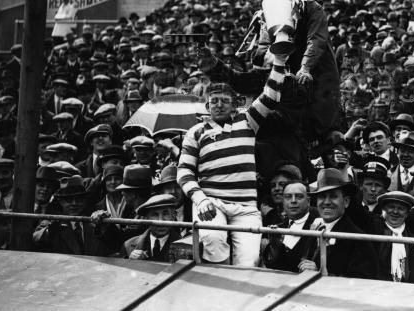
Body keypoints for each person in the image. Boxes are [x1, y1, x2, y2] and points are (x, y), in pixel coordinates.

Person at [177, 52, 288, 267]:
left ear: (234, 105)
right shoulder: (196, 132)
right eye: (214, 101)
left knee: (249, 261)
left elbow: (271, 95)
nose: (219, 105)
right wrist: (200, 199)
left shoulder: (248, 121)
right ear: (207, 107)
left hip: (245, 206)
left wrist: (280, 61)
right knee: (212, 241)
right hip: (211, 202)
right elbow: (184, 172)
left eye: (225, 101)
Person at [264, 0, 341, 153]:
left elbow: (316, 39)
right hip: (289, 76)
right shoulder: (271, 13)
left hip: (318, 72)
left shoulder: (311, 8)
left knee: (321, 121)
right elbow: (263, 47)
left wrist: (305, 67)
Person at [298, 168, 378, 279]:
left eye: (333, 196)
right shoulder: (314, 230)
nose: (326, 202)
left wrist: (320, 273)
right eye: (322, 196)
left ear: (346, 202)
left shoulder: (358, 239)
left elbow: (360, 283)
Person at [33, 176, 111, 256]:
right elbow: (36, 238)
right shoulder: (51, 221)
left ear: (84, 201)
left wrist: (105, 223)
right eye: (69, 200)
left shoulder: (93, 222)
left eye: (79, 199)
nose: (74, 203)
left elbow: (115, 243)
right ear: (61, 202)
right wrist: (50, 230)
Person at [374, 191, 414, 284]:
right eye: (391, 207)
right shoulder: (374, 234)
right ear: (384, 209)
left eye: (401, 208)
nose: (395, 212)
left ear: (407, 213)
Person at [262, 180, 319, 272]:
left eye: (299, 196)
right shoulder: (279, 227)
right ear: (283, 201)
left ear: (308, 200)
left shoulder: (320, 221)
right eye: (288, 197)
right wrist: (274, 247)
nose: (293, 201)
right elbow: (273, 266)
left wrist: (318, 267)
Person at [121, 194, 182, 262]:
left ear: (173, 216)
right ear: (146, 218)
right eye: (155, 214)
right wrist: (130, 263)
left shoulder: (186, 247)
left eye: (165, 213)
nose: (160, 221)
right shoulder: (128, 246)